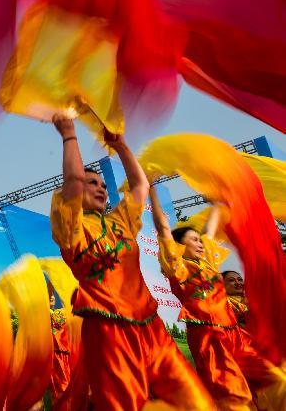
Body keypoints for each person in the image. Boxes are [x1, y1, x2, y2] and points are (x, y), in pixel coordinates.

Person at [49, 116, 212, 410]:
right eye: (92, 183)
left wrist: (121, 146)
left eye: (102, 184)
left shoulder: (119, 222)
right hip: (109, 330)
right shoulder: (70, 226)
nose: (101, 188)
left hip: (151, 327)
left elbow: (138, 187)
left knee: (196, 402)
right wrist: (69, 133)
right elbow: (72, 181)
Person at [151, 192, 277, 409]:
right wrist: (150, 186)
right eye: (194, 240)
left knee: (275, 379)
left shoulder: (207, 261)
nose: (200, 243)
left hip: (236, 334)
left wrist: (219, 198)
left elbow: (210, 228)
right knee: (233, 396)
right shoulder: (177, 268)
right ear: (180, 246)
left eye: (200, 240)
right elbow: (163, 228)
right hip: (209, 338)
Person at [48, 285, 71, 404]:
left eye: (53, 294)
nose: (52, 297)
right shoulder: (42, 315)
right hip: (55, 358)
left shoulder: (63, 313)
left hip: (68, 356)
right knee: (61, 390)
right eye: (48, 294)